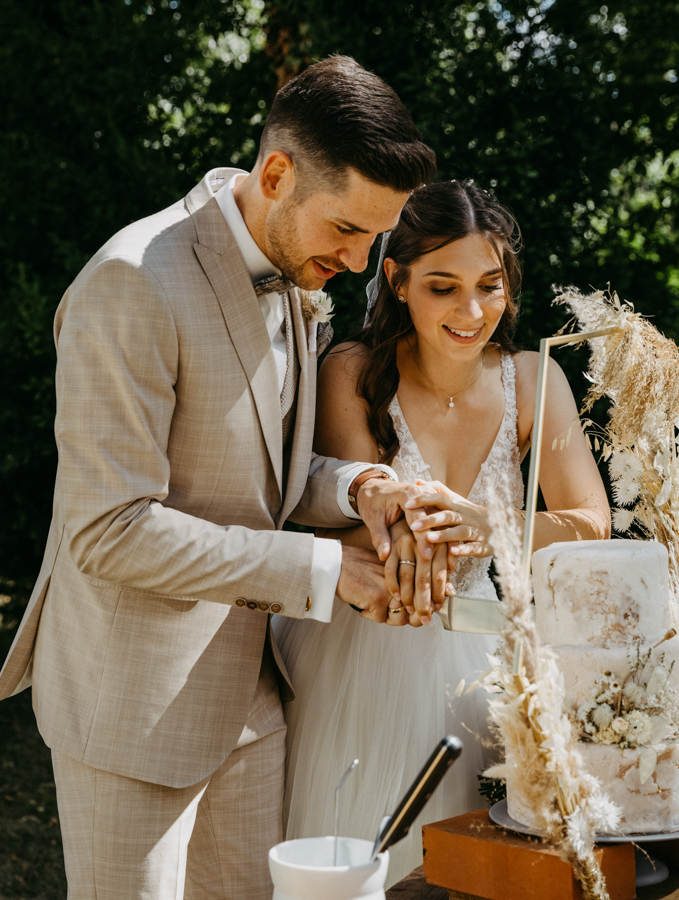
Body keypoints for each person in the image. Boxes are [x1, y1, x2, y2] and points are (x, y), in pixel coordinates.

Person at [0, 56, 443, 900]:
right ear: (276, 174)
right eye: (346, 230)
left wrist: (358, 489)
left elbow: (257, 473)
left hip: (253, 696)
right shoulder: (131, 283)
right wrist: (324, 569)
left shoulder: (295, 272)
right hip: (131, 706)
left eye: (374, 239)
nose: (356, 262)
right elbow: (111, 527)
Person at [275, 179, 611, 884]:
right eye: (442, 287)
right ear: (395, 281)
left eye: (490, 285)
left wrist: (492, 524)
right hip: (365, 645)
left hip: (485, 652)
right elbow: (362, 528)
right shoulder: (354, 371)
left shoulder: (534, 378)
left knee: (477, 861)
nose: (472, 310)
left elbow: (591, 524)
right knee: (359, 858)